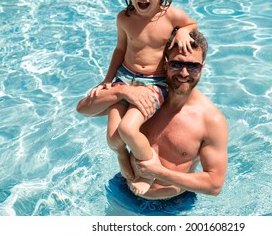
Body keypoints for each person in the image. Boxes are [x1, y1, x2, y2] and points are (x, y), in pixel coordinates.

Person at [77, 30, 228, 200]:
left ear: (203, 66)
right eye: (176, 64)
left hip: (172, 204)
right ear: (165, 64)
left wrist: (159, 172)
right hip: (124, 189)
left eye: (193, 66)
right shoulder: (145, 98)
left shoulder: (210, 121)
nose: (184, 73)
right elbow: (84, 109)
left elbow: (214, 185)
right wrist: (122, 91)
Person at [89, 0, 197, 195]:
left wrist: (184, 31)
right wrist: (107, 80)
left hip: (154, 83)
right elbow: (119, 49)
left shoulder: (170, 16)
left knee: (128, 130)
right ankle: (121, 156)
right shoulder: (124, 18)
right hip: (124, 78)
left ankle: (150, 171)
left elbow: (191, 23)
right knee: (113, 138)